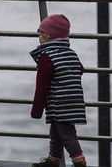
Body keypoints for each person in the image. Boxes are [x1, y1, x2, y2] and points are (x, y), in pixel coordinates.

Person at [29, 13, 88, 167]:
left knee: (67, 134)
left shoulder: (47, 57)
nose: (39, 37)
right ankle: (53, 160)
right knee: (56, 131)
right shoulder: (71, 53)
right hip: (74, 100)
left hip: (58, 103)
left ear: (47, 37)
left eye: (41, 34)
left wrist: (36, 110)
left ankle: (79, 161)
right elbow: (80, 69)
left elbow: (42, 86)